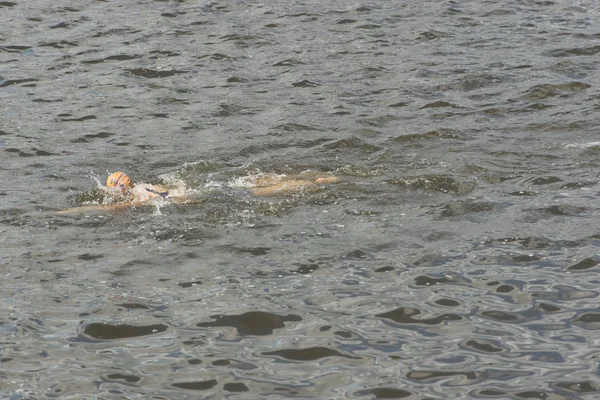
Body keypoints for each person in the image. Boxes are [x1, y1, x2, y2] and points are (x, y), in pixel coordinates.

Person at [57, 171, 337, 213]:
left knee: (263, 194)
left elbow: (104, 209)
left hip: (197, 198)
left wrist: (66, 212)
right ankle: (315, 179)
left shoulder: (136, 200)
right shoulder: (145, 187)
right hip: (190, 191)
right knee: (257, 187)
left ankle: (315, 182)